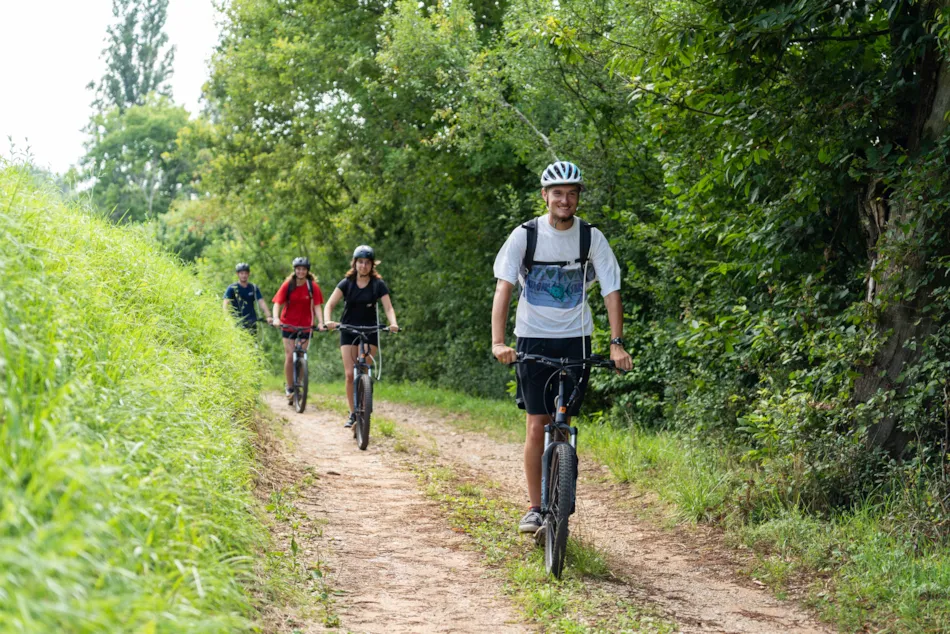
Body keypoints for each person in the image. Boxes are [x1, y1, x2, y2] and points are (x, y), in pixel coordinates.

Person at [491, 160, 633, 535]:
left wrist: (616, 344)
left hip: (576, 338)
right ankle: (536, 507)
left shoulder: (591, 238)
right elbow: (504, 288)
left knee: (563, 422)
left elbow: (611, 291)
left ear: (578, 197)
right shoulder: (524, 235)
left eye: (571, 194)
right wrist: (499, 342)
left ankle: (561, 486)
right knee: (537, 424)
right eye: (558, 193)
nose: (564, 200)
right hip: (532, 338)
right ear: (545, 196)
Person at [324, 245, 399, 428]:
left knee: (363, 367)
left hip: (370, 330)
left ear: (372, 265)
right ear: (355, 263)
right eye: (360, 262)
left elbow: (388, 307)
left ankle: (364, 403)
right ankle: (352, 412)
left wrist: (393, 323)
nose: (363, 266)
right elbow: (329, 305)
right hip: (348, 329)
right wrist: (328, 321)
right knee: (350, 374)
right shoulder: (346, 283)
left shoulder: (378, 285)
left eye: (367, 263)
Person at [272, 257, 326, 403]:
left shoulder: (312, 286)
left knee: (301, 354)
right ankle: (290, 387)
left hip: (306, 325)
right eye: (298, 269)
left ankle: (299, 384)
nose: (301, 271)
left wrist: (321, 323)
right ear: (295, 270)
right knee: (290, 356)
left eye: (303, 269)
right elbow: (277, 303)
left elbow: (317, 306)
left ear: (307, 271)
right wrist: (276, 318)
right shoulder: (288, 284)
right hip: (288, 324)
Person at [223, 262, 271, 332]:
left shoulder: (253, 288)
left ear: (249, 274)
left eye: (245, 273)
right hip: (237, 322)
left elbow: (261, 302)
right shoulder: (232, 288)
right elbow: (225, 304)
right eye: (241, 273)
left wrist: (268, 316)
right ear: (237, 274)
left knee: (253, 342)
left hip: (252, 321)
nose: (244, 275)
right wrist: (226, 318)